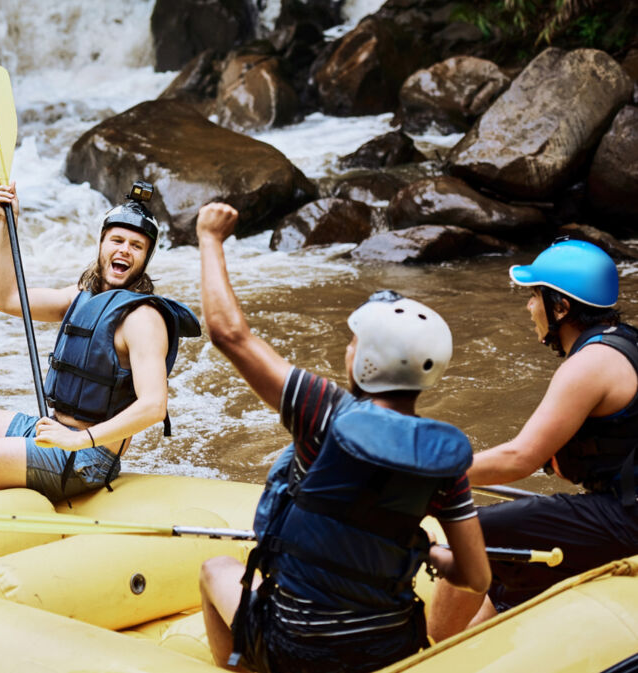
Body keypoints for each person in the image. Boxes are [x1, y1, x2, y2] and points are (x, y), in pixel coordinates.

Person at [195, 202, 490, 672]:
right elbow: (475, 577)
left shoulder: (323, 411)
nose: (347, 349)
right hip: (390, 649)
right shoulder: (442, 459)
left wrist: (209, 239)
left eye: (353, 343)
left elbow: (229, 334)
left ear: (367, 361)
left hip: (295, 647)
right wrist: (426, 550)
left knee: (216, 570)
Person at [0, 180, 200, 510]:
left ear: (144, 259)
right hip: (51, 431)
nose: (124, 250)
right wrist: (7, 225)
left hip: (85, 456)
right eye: (117, 240)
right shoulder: (81, 297)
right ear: (101, 244)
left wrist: (78, 439)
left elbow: (154, 406)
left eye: (136, 246)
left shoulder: (142, 318)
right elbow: (7, 298)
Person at [429, 238, 638, 641]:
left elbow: (520, 458)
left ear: (561, 307)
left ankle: (429, 656)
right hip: (621, 505)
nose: (528, 308)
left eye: (534, 296)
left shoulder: (590, 364)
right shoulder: (625, 343)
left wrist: (431, 472)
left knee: (470, 531)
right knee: (513, 563)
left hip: (625, 518)